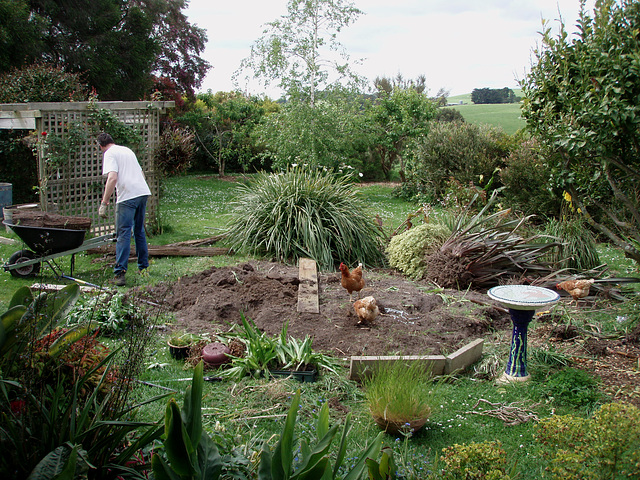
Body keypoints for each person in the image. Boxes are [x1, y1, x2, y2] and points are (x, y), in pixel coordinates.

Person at [98, 133, 151, 287]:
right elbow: (141, 173)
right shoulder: (127, 150)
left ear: (101, 146)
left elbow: (113, 178)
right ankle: (143, 268)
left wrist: (104, 202)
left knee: (123, 234)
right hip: (142, 192)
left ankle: (120, 274)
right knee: (139, 231)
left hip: (127, 196)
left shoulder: (109, 154)